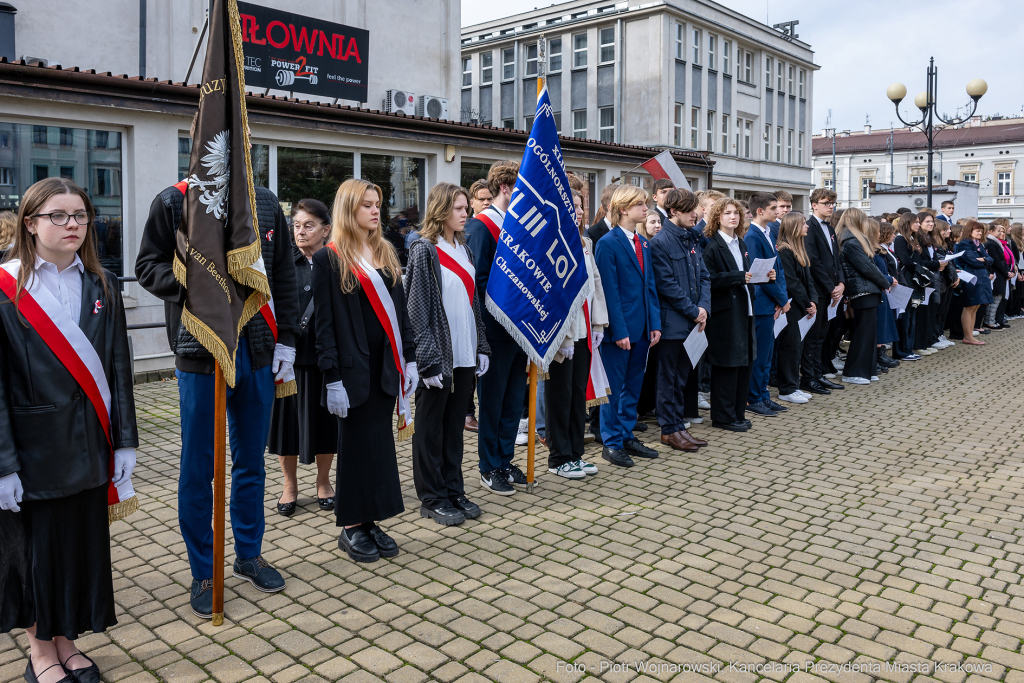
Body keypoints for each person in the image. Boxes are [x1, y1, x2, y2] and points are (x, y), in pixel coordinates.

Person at [136, 175, 298, 617]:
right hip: (201, 347)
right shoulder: (173, 200)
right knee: (197, 467)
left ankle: (248, 553)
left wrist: (289, 339)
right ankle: (204, 569)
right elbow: (147, 265)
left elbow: (282, 271)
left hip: (258, 347)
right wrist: (198, 285)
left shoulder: (265, 202)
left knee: (250, 461)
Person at [0, 178, 138, 683]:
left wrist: (125, 441)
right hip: (33, 453)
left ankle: (67, 641)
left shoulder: (103, 284)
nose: (73, 224)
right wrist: (2, 465)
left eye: (80, 215)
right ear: (31, 223)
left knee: (78, 548)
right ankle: (40, 651)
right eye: (57, 216)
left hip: (89, 446)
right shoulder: (6, 288)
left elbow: (118, 369)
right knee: (38, 556)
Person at [313, 178, 416, 562]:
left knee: (379, 447)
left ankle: (372, 519)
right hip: (351, 371)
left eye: (377, 204)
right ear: (348, 209)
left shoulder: (385, 251)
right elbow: (324, 326)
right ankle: (351, 525)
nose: (376, 211)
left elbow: (401, 313)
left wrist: (410, 358)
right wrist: (332, 377)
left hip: (386, 368)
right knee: (355, 447)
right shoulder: (329, 258)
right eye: (367, 205)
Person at [405, 183, 490, 524]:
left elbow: (473, 303)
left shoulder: (464, 249)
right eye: (459, 208)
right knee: (430, 429)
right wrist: (425, 360)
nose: (465, 213)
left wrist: (481, 344)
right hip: (438, 356)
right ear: (441, 210)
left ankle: (455, 489)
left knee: (454, 428)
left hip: (465, 353)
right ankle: (432, 496)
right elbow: (417, 309)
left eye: (466, 207)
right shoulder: (424, 250)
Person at [267, 199, 337, 517]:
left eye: (308, 225)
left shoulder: (335, 263)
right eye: (296, 224)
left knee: (325, 424)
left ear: (326, 229)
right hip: (288, 358)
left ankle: (324, 483)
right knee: (287, 427)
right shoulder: (283, 263)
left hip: (324, 357)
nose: (300, 231)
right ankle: (289, 485)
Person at [465, 160, 530, 495]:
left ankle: (505, 459)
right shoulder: (481, 227)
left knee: (512, 400)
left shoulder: (514, 224)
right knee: (492, 402)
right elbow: (478, 283)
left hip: (520, 329)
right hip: (494, 331)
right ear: (506, 188)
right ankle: (488, 466)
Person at [595, 186, 662, 467]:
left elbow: (650, 288)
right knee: (613, 388)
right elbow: (608, 292)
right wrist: (619, 331)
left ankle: (625, 434)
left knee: (633, 386)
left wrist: (655, 323)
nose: (646, 209)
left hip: (643, 330)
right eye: (640, 204)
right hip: (620, 332)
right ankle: (610, 442)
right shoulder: (608, 244)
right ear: (623, 209)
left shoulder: (643, 243)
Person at [545, 190, 607, 479]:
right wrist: (565, 336)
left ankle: (575, 452)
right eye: (573, 207)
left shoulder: (585, 242)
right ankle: (558, 457)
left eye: (582, 206)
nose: (580, 212)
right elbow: (556, 293)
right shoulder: (553, 243)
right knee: (561, 394)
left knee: (578, 395)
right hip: (564, 334)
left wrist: (598, 324)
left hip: (585, 329)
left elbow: (594, 283)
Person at [650, 188, 710, 451]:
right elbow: (667, 285)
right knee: (668, 378)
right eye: (688, 210)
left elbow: (704, 277)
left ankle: (678, 425)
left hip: (693, 321)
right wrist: (693, 310)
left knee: (682, 378)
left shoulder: (691, 239)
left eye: (695, 209)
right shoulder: (660, 242)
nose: (694, 214)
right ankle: (668, 429)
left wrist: (703, 308)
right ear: (674, 212)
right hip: (673, 322)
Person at [702, 197, 759, 431]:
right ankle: (723, 417)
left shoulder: (742, 243)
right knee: (727, 365)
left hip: (745, 309)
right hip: (724, 314)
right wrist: (736, 277)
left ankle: (737, 412)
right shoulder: (711, 245)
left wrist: (763, 276)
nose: (733, 217)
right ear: (717, 217)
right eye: (727, 213)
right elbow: (707, 279)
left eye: (736, 213)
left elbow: (746, 275)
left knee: (744, 363)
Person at [744, 192, 788, 417]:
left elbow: (777, 270)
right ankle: (753, 398)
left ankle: (763, 395)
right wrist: (781, 299)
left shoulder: (768, 232)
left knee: (767, 354)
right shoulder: (752, 236)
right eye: (773, 208)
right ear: (760, 211)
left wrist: (782, 299)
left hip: (772, 302)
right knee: (760, 354)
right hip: (762, 302)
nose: (778, 211)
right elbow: (760, 274)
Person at [836, 210, 892, 384]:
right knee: (863, 333)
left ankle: (867, 369)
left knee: (868, 332)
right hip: (863, 290)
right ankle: (854, 372)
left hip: (866, 289)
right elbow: (867, 267)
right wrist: (885, 282)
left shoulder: (851, 238)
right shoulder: (851, 241)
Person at [801, 188, 844, 395]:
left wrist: (842, 283)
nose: (830, 206)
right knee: (813, 337)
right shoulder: (809, 227)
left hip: (832, 290)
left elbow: (837, 259)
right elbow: (813, 262)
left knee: (822, 336)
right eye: (826, 202)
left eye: (832, 203)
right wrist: (830, 288)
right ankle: (808, 378)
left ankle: (818, 374)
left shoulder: (831, 229)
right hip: (818, 291)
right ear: (814, 205)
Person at [775, 212, 817, 404]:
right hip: (792, 306)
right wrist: (807, 303)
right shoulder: (784, 250)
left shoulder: (800, 248)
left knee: (796, 348)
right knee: (789, 348)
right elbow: (792, 282)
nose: (807, 226)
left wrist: (813, 301)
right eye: (803, 224)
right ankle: (787, 388)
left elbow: (809, 280)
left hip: (801, 306)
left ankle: (794, 385)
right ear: (794, 227)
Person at [463, 179, 493, 433]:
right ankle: (467, 412)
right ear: (472, 202)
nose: (486, 202)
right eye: (481, 198)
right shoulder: (475, 228)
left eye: (489, 199)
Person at [954, 220, 993, 346]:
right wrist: (984, 259)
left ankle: (971, 334)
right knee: (970, 305)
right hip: (972, 277)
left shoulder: (978, 244)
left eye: (981, 231)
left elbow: (990, 259)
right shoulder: (965, 243)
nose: (980, 233)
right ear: (970, 231)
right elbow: (973, 262)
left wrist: (983, 259)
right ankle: (968, 336)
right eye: (977, 231)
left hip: (981, 276)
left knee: (976, 306)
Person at [892, 212, 925, 359]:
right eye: (916, 222)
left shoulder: (913, 238)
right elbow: (906, 261)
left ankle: (908, 349)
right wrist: (921, 269)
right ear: (907, 223)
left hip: (914, 281)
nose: (919, 224)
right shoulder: (900, 239)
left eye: (919, 222)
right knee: (904, 318)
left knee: (912, 317)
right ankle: (901, 351)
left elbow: (918, 261)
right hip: (906, 281)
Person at [874, 222, 902, 370]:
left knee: (884, 321)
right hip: (881, 288)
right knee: (880, 322)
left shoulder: (883, 250)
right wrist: (889, 280)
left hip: (886, 288)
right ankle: (878, 354)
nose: (894, 235)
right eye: (891, 233)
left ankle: (881, 352)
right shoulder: (875, 251)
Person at [984, 222, 1012, 330]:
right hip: (996, 274)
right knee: (995, 297)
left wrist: (1008, 271)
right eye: (998, 231)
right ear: (991, 232)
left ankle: (996, 320)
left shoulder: (996, 243)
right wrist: (1006, 273)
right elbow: (996, 261)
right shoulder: (990, 243)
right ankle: (990, 321)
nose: (1001, 233)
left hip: (1001, 273)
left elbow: (1003, 260)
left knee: (1000, 298)